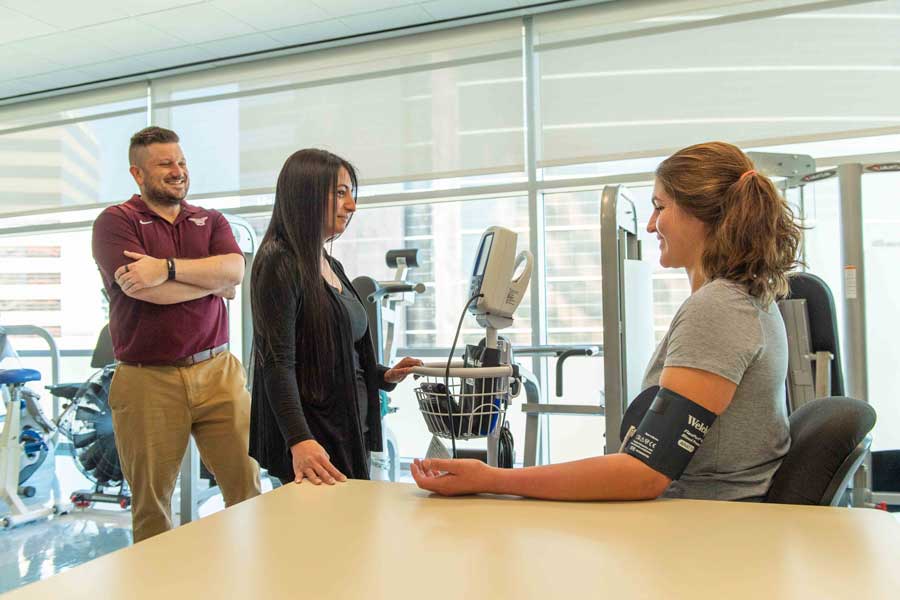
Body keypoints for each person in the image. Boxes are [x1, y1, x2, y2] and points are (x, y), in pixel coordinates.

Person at [412, 141, 801, 502]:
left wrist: (492, 479)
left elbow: (645, 474)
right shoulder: (748, 299)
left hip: (701, 523)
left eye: (660, 207)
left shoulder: (719, 307)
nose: (651, 225)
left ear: (699, 214)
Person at [92, 126, 260, 542]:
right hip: (148, 379)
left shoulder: (211, 219)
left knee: (248, 489)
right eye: (165, 164)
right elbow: (151, 296)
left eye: (181, 162)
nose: (177, 171)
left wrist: (164, 268)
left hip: (218, 370)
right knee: (152, 506)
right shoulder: (117, 221)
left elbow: (236, 271)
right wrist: (211, 282)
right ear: (138, 174)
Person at [249, 148, 422, 486]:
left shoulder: (330, 264)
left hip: (347, 430)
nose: (351, 206)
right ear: (307, 196)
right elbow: (276, 364)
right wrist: (300, 440)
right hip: (315, 442)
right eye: (341, 193)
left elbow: (338, 356)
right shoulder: (280, 263)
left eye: (350, 194)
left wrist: (385, 375)